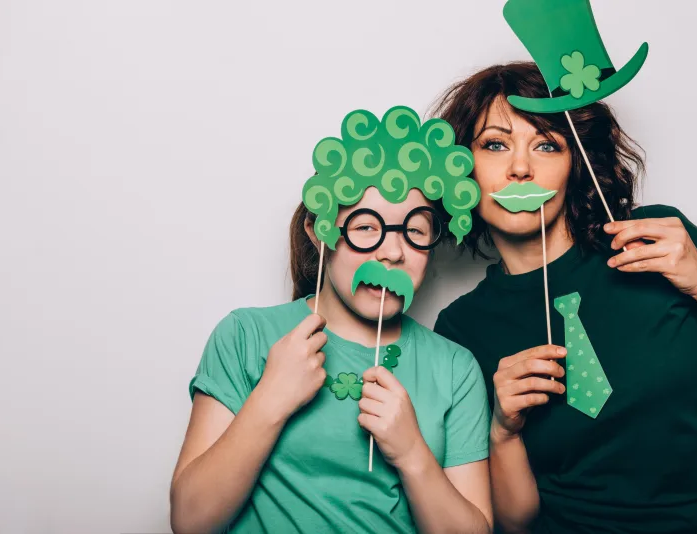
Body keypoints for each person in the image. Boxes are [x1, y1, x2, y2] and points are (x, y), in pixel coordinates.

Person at [431, 62, 697, 534]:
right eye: (495, 144)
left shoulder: (654, 239)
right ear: (461, 168)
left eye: (547, 144)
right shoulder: (460, 329)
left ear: (576, 165)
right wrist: (503, 430)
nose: (519, 167)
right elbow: (515, 523)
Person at [169, 107, 493, 533]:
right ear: (320, 231)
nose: (392, 253)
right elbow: (191, 521)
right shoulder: (245, 336)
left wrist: (413, 453)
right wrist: (270, 399)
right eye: (365, 227)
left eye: (414, 230)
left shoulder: (454, 368)